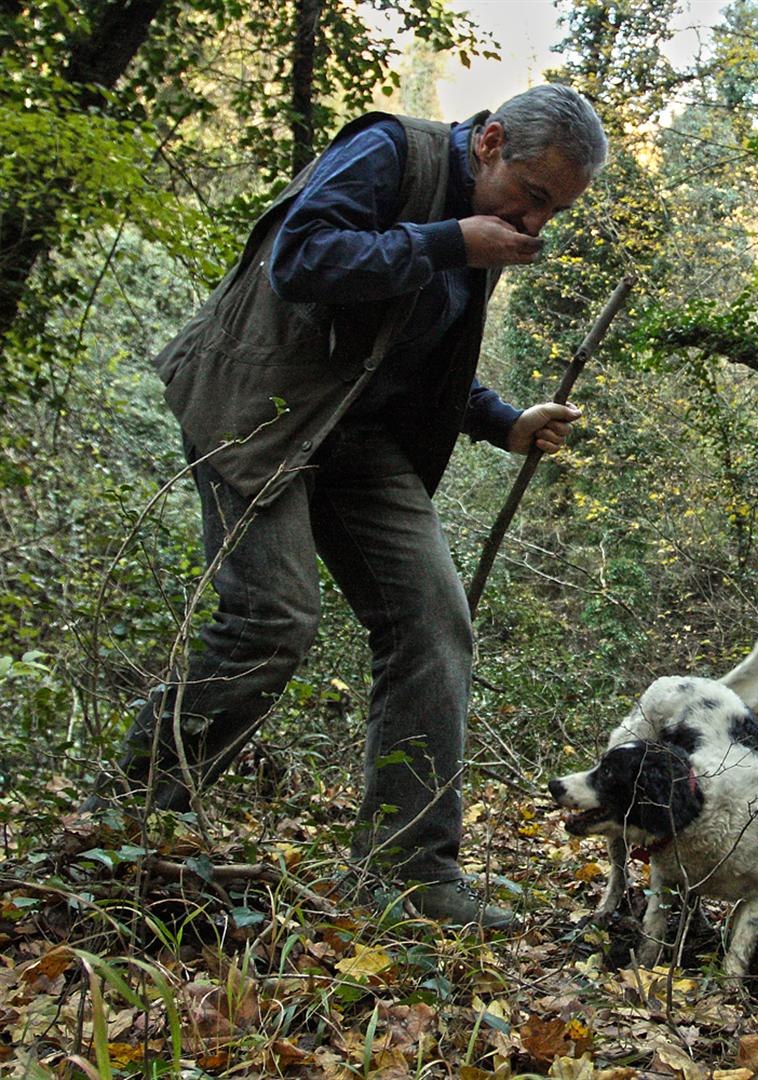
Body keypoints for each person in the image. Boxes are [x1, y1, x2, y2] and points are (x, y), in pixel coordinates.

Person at [80, 85, 610, 931]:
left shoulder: (475, 233)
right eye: (534, 196)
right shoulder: (391, 151)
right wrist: (448, 242)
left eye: (554, 210)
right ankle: (122, 825)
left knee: (435, 624)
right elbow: (303, 258)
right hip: (257, 411)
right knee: (273, 617)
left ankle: (409, 874)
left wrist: (504, 422)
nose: (535, 222)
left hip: (356, 440)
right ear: (491, 142)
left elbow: (406, 353)